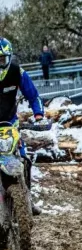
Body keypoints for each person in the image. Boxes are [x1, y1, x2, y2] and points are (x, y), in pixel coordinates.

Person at [0, 38, 45, 215]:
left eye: (1, 59)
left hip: (10, 122)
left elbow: (33, 96)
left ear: (9, 58)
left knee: (23, 157)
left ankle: (27, 198)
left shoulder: (18, 72)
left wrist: (39, 115)